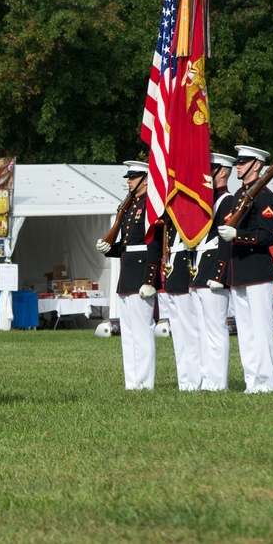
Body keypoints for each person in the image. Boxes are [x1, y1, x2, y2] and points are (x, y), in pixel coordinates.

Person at [217, 145, 273, 393]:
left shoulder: (265, 197)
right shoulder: (238, 197)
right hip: (239, 270)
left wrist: (237, 235)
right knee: (245, 331)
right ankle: (251, 381)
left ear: (257, 165)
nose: (238, 166)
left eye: (243, 162)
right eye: (238, 162)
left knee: (261, 330)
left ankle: (265, 383)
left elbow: (266, 237)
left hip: (257, 271)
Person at [96, 161, 162, 390]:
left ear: (145, 180)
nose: (129, 181)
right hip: (127, 273)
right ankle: (132, 382)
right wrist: (109, 250)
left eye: (133, 177)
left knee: (142, 331)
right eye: (129, 177)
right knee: (129, 333)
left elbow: (153, 246)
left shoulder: (150, 206)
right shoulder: (131, 205)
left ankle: (145, 382)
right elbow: (127, 244)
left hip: (141, 274)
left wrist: (149, 279)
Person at [189, 153, 235, 391]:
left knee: (215, 329)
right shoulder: (207, 199)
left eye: (212, 169)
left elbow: (226, 240)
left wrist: (219, 274)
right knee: (202, 329)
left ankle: (218, 381)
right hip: (200, 267)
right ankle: (207, 379)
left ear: (223, 172)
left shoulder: (227, 200)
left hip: (213, 268)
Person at [161, 221, 199, 390]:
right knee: (178, 334)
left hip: (184, 274)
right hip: (173, 276)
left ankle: (195, 378)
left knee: (189, 332)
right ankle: (184, 380)